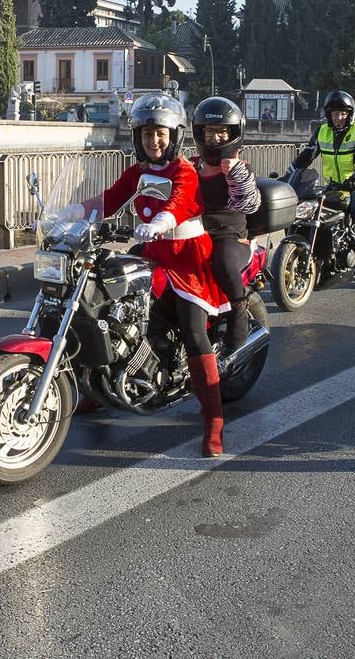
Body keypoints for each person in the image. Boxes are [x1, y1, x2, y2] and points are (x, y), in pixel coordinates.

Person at [80, 93, 230, 456]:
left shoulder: (184, 171)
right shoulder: (137, 172)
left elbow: (181, 200)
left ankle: (213, 419)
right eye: (147, 134)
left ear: (174, 135)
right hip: (154, 255)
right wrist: (70, 215)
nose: (154, 140)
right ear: (137, 137)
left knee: (194, 331)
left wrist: (162, 220)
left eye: (160, 133)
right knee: (106, 306)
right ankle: (98, 389)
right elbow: (109, 200)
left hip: (187, 259)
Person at [191, 96, 261, 353]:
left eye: (222, 132)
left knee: (223, 262)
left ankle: (238, 311)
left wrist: (235, 174)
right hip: (193, 233)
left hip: (229, 237)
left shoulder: (241, 168)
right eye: (210, 132)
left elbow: (249, 204)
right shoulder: (190, 166)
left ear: (233, 134)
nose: (216, 138)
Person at [291, 90, 355, 275]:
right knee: (308, 208)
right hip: (334, 184)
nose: (338, 117)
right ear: (328, 115)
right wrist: (289, 174)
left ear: (349, 114)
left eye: (342, 113)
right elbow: (307, 155)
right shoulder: (322, 131)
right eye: (334, 114)